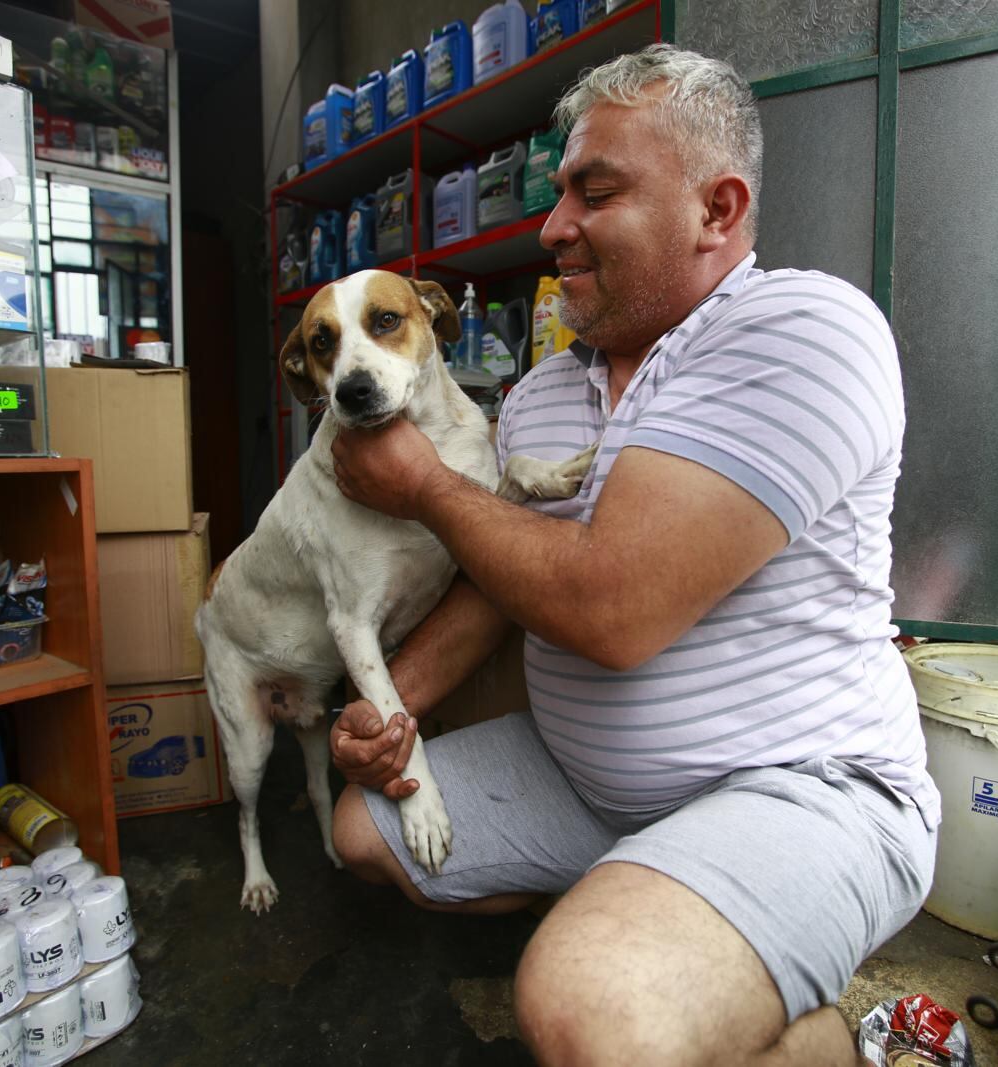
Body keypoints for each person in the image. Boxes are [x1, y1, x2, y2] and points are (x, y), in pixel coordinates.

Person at [327, 43, 939, 1066]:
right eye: (558, 192)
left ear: (716, 209)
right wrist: (392, 714)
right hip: (590, 784)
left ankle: (802, 1026)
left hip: (804, 785)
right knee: (361, 828)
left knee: (589, 1003)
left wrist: (425, 487)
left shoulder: (803, 330)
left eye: (592, 192)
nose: (553, 224)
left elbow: (613, 607)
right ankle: (673, 897)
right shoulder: (541, 394)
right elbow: (503, 583)